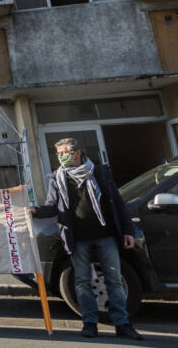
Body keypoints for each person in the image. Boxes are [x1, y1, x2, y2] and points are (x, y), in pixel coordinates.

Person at [28, 137, 143, 340]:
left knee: (114, 280)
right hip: (77, 238)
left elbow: (117, 203)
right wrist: (35, 210)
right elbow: (53, 205)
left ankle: (122, 323)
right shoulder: (57, 177)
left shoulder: (100, 173)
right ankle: (89, 323)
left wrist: (128, 231)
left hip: (105, 236)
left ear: (77, 153)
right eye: (59, 154)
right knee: (82, 281)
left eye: (64, 153)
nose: (61, 157)